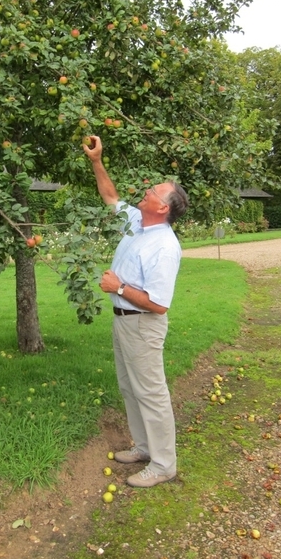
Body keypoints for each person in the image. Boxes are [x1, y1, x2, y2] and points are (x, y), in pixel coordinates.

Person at [83, 135, 189, 488]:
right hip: (124, 323)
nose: (146, 192)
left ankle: (163, 465)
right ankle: (144, 448)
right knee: (131, 389)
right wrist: (97, 161)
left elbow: (159, 304)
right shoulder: (136, 223)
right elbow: (111, 197)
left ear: (163, 208)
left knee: (152, 393)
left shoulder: (164, 247)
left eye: (153, 193)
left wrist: (120, 288)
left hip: (144, 324)